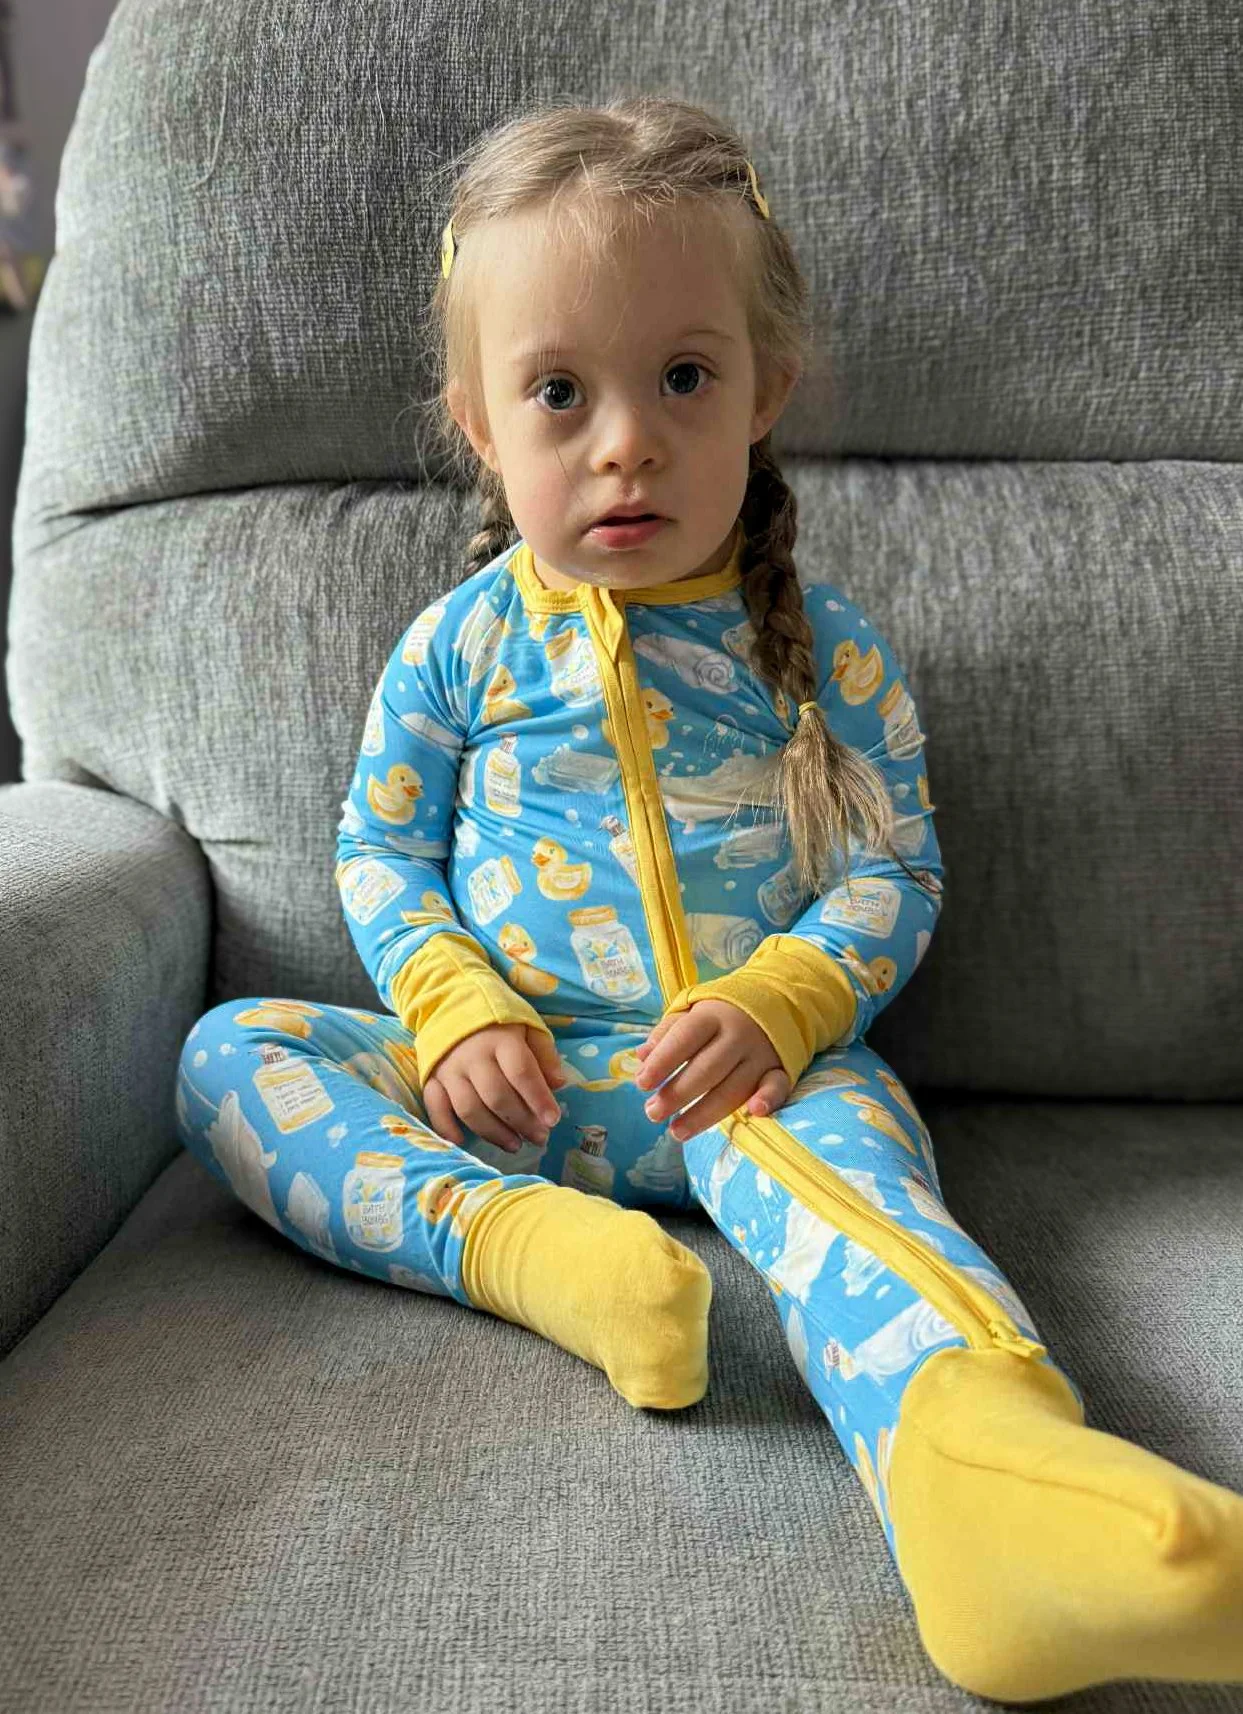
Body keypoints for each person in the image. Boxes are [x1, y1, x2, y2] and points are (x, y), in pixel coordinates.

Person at [176, 95, 1243, 1704]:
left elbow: (893, 866)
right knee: (230, 1054)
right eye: (558, 392)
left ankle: (987, 1490)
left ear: (764, 391)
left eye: (682, 377)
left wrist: (781, 1004)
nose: (626, 441)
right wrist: (455, 1011)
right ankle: (550, 1263)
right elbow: (380, 853)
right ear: (477, 423)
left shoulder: (826, 650)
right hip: (514, 1097)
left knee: (877, 1215)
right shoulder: (459, 649)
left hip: (756, 1082)